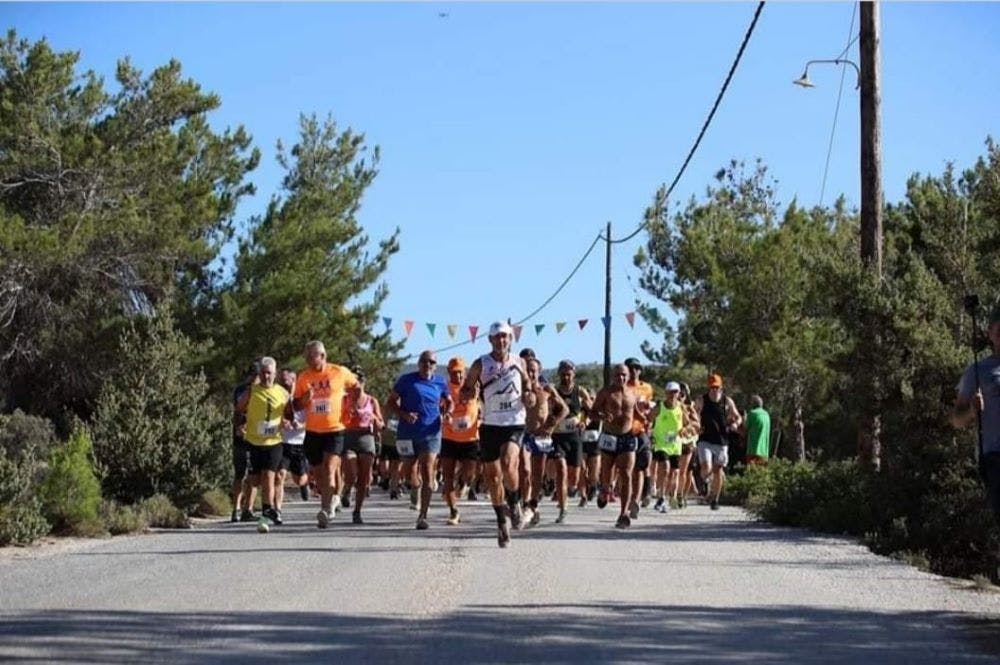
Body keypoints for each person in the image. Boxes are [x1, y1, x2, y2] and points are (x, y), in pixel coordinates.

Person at [460, 321, 536, 547]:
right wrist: (468, 392)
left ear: (510, 339)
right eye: (497, 337)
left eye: (505, 337)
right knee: (493, 478)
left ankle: (514, 503)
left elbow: (529, 386)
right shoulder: (480, 364)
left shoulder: (519, 362)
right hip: (490, 424)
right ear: (490, 340)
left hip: (514, 422)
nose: (501, 341)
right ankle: (501, 522)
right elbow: (466, 391)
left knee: (509, 463)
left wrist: (530, 396)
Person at [293, 340, 359, 529]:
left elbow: (356, 387)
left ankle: (325, 510)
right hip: (313, 430)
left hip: (335, 429)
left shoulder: (339, 372)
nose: (307, 359)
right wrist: (304, 400)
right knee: (320, 474)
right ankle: (331, 500)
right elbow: (296, 405)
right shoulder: (303, 377)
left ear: (322, 356)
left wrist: (353, 404)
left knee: (330, 469)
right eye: (306, 356)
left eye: (310, 356)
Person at [387, 350, 453, 530]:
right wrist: (403, 414)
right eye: (424, 361)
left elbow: (449, 401)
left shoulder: (440, 382)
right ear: (419, 362)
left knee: (428, 469)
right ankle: (414, 486)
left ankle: (423, 515)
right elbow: (391, 402)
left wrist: (447, 412)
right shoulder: (406, 380)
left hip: (431, 432)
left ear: (435, 364)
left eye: (432, 362)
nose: (428, 365)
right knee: (409, 471)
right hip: (407, 433)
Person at [951, 304, 1000, 522]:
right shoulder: (977, 371)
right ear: (990, 332)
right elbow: (956, 420)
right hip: (994, 456)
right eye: (999, 329)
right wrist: (972, 410)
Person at [236, 357, 293, 528]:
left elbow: (289, 414)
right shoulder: (251, 392)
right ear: (259, 374)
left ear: (275, 374)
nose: (266, 376)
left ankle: (267, 511)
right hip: (253, 441)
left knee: (269, 475)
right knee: (253, 479)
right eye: (263, 373)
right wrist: (240, 426)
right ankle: (248, 508)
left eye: (269, 373)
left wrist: (287, 420)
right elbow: (238, 410)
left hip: (273, 441)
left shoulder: (282, 393)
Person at [592, 363, 639, 529]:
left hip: (627, 436)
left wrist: (645, 419)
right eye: (618, 375)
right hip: (609, 436)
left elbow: (637, 412)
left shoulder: (633, 394)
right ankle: (605, 489)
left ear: (628, 376)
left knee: (626, 474)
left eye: (624, 375)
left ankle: (623, 513)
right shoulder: (605, 393)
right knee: (606, 472)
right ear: (613, 376)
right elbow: (592, 412)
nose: (621, 378)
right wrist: (603, 416)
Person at [523, 357, 568, 526]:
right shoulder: (517, 388)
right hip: (523, 435)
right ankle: (524, 502)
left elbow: (564, 409)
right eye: (528, 370)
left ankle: (533, 505)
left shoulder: (547, 389)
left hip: (541, 437)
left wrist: (551, 424)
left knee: (536, 476)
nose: (531, 373)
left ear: (539, 372)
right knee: (525, 470)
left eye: (534, 370)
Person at [440, 356, 481, 526]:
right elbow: (439, 406)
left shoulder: (474, 386)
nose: (457, 376)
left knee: (469, 475)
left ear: (464, 372)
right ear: (449, 372)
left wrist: (481, 417)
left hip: (470, 438)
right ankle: (453, 511)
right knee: (447, 477)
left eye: (460, 372)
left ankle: (462, 481)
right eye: (454, 372)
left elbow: (482, 405)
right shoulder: (444, 388)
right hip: (449, 437)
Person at [341, 367, 384, 524]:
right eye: (352, 380)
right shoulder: (344, 399)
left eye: (358, 380)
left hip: (366, 438)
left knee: (364, 479)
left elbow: (381, 423)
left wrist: (375, 419)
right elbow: (336, 420)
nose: (355, 383)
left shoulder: (372, 401)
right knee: (351, 474)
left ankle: (357, 511)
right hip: (349, 437)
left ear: (363, 382)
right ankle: (347, 489)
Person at [694, 374, 741, 511]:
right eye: (712, 387)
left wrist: (735, 424)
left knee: (718, 469)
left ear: (721, 387)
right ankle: (707, 482)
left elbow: (737, 417)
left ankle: (715, 499)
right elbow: (693, 414)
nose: (714, 390)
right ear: (708, 387)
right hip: (705, 439)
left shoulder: (727, 401)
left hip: (721, 440)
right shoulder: (701, 400)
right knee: (706, 467)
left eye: (717, 387)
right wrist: (695, 424)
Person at [553, 360, 593, 514]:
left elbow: (591, 410)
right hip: (558, 436)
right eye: (563, 374)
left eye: (569, 374)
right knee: (561, 470)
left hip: (574, 436)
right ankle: (563, 507)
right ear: (558, 374)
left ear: (574, 375)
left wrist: (585, 422)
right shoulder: (555, 391)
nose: (566, 378)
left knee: (574, 478)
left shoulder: (580, 391)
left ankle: (570, 490)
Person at [650, 382, 690, 513]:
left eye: (676, 392)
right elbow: (648, 419)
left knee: (674, 472)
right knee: (665, 468)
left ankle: (665, 496)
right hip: (661, 443)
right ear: (666, 393)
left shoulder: (681, 407)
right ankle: (660, 496)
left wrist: (684, 429)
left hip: (675, 444)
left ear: (679, 393)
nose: (673, 394)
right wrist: (649, 433)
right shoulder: (659, 407)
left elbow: (687, 423)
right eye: (670, 392)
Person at [624, 357, 654, 520]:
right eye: (631, 368)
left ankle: (636, 500)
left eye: (637, 368)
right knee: (628, 469)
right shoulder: (622, 387)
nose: (634, 371)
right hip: (624, 431)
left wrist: (648, 416)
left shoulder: (647, 388)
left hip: (641, 431)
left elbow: (649, 408)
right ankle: (627, 498)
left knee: (641, 468)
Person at [276, 368, 309, 512]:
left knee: (299, 479)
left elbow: (314, 420)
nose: (284, 384)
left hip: (299, 443)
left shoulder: (303, 399)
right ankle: (277, 510)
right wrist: (281, 422)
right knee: (279, 475)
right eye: (281, 381)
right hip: (282, 442)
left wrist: (302, 425)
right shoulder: (278, 397)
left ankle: (304, 484)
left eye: (287, 381)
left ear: (294, 381)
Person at [231, 362, 259, 523]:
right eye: (253, 375)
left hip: (256, 436)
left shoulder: (264, 389)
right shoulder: (242, 390)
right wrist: (239, 427)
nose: (255, 378)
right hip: (242, 436)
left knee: (253, 474)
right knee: (241, 474)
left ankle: (247, 508)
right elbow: (238, 410)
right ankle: (237, 509)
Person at [744, 395, 771, 465]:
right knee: (762, 474)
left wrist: (744, 418)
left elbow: (745, 428)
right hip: (764, 451)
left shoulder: (752, 413)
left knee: (751, 473)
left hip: (753, 450)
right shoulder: (767, 415)